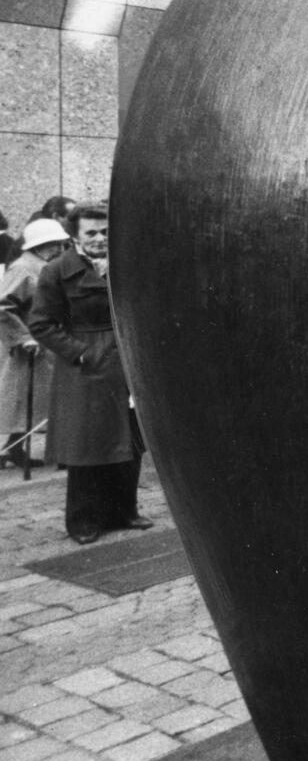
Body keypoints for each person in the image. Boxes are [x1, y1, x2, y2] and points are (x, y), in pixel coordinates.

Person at [31, 203, 151, 544]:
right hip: (87, 368)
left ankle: (125, 511)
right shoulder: (56, 271)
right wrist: (80, 353)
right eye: (91, 233)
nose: (100, 239)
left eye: (105, 231)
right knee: (87, 447)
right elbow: (41, 323)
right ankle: (83, 521)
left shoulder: (126, 264)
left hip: (126, 363)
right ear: (75, 235)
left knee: (130, 443)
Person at [0, 219, 68, 470]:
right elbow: (3, 306)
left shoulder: (41, 265)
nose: (58, 250)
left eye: (59, 245)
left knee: (39, 402)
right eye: (52, 245)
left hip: (46, 342)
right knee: (32, 401)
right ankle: (60, 454)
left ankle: (14, 449)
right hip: (30, 346)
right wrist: (22, 337)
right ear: (39, 246)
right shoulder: (23, 268)